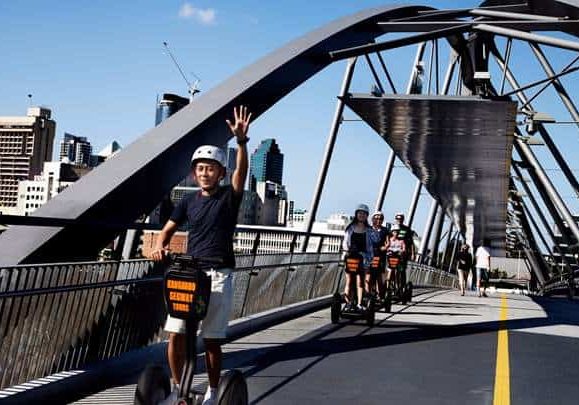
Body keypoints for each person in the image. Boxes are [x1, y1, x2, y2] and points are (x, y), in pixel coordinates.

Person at [151, 106, 251, 405]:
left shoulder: (228, 198)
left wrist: (242, 142)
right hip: (190, 275)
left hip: (218, 275)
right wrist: (159, 245)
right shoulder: (188, 202)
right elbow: (166, 231)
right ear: (194, 174)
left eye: (211, 168)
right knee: (176, 335)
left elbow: (241, 174)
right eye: (200, 169)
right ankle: (177, 389)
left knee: (211, 340)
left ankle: (213, 392)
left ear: (221, 172)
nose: (204, 173)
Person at [342, 204, 373, 311]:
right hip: (351, 257)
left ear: (366, 216)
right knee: (349, 281)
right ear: (356, 214)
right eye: (360, 213)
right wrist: (346, 251)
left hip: (363, 258)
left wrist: (369, 259)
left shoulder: (369, 230)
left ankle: (359, 304)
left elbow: (370, 246)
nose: (361, 215)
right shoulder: (350, 228)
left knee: (360, 281)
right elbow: (345, 242)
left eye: (364, 214)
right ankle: (348, 303)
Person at [368, 211, 389, 301]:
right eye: (376, 218)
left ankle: (380, 295)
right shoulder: (368, 229)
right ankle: (368, 294)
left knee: (379, 277)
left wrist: (384, 248)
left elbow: (388, 243)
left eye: (380, 218)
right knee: (369, 276)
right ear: (372, 219)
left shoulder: (385, 230)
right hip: (369, 256)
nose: (378, 220)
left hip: (380, 256)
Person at [383, 225, 407, 292]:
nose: (396, 233)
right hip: (390, 258)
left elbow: (404, 249)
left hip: (398, 258)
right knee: (389, 271)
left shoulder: (401, 241)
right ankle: (387, 287)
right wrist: (387, 250)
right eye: (394, 232)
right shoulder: (389, 240)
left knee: (396, 272)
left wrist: (401, 251)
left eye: (397, 232)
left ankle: (397, 287)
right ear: (392, 232)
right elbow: (386, 247)